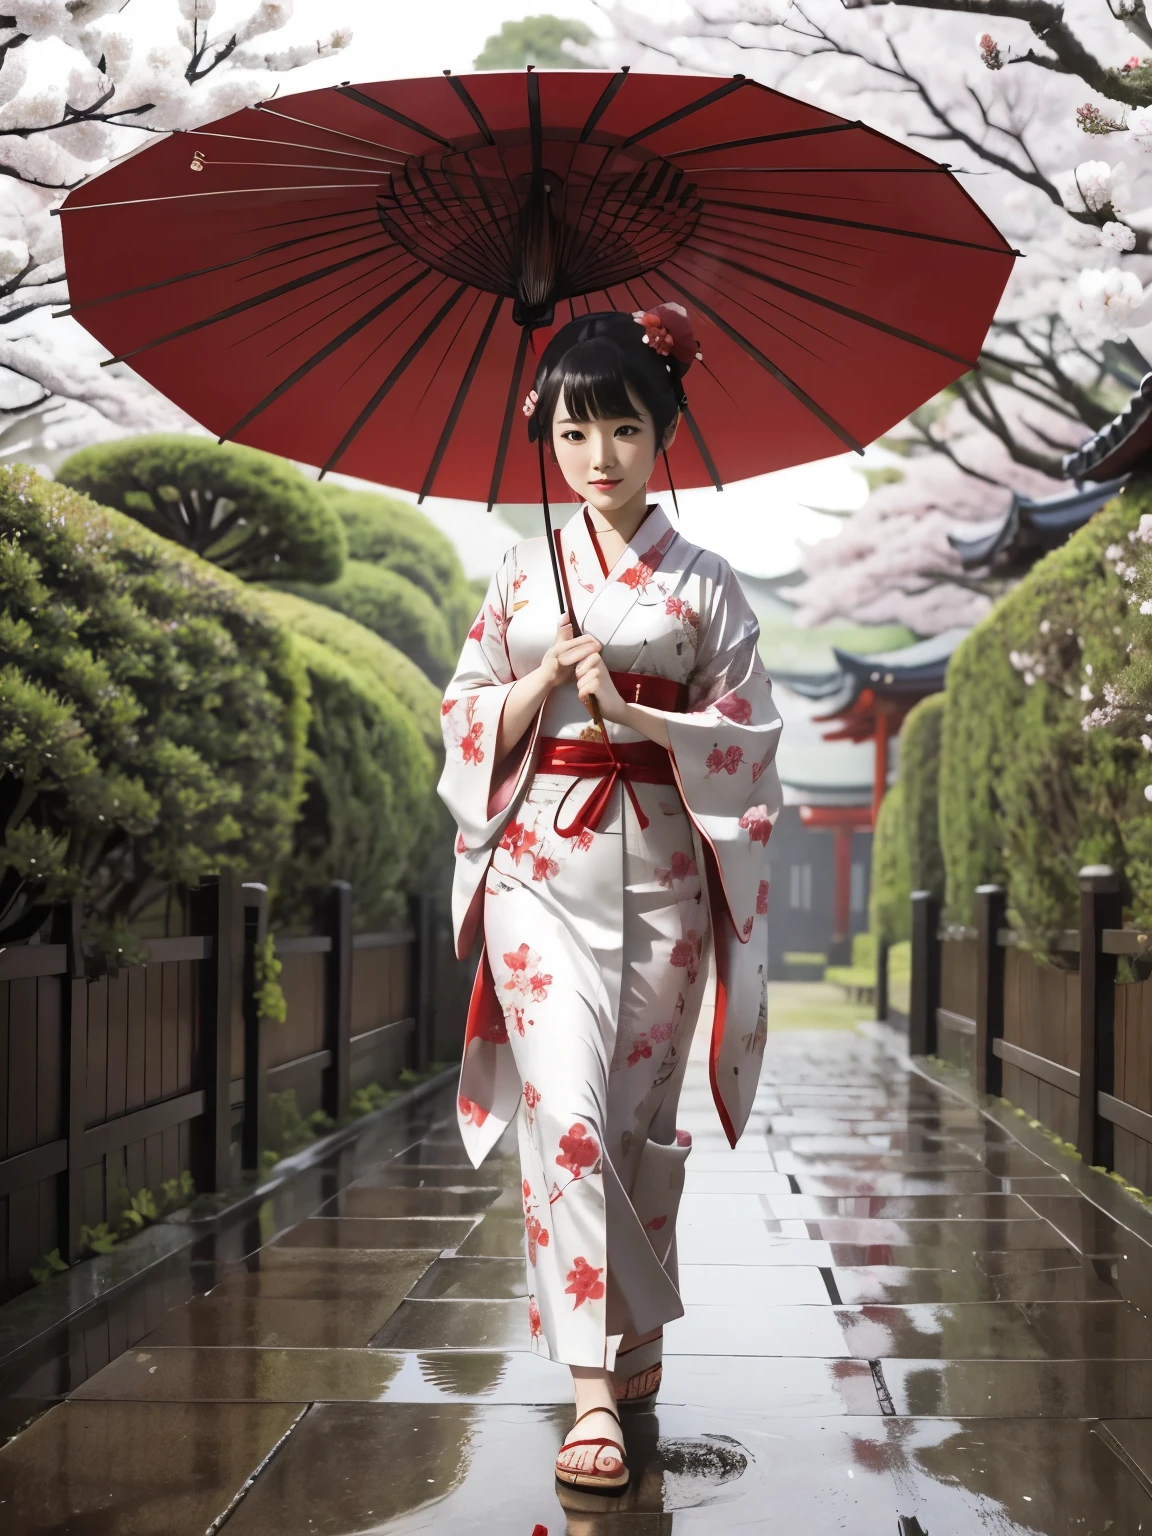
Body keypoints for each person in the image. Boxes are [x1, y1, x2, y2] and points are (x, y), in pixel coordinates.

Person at [438, 304, 782, 1495]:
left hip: (668, 881)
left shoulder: (710, 587)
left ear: (662, 434)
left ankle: (638, 1345)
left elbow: (751, 739)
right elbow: (462, 713)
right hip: (540, 873)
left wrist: (643, 716)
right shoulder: (523, 571)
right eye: (576, 430)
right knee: (568, 1115)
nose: (599, 456)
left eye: (624, 428)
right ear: (548, 436)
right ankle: (590, 1387)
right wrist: (538, 678)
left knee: (635, 1123)